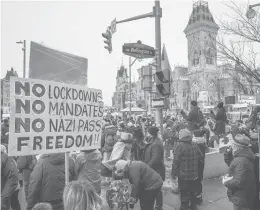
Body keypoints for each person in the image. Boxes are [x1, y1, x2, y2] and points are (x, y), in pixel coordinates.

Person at [223, 134, 256, 210]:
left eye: (233, 145)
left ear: (238, 147)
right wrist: (227, 154)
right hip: (243, 194)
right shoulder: (243, 155)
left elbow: (238, 181)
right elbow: (233, 165)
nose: (231, 146)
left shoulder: (241, 160)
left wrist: (225, 182)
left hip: (240, 196)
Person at [171, 129, 201, 210]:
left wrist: (173, 173)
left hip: (183, 175)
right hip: (194, 175)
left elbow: (176, 161)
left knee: (184, 192)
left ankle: (184, 207)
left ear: (182, 136)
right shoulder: (195, 144)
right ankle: (193, 206)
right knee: (193, 191)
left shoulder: (180, 146)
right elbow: (200, 157)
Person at [143, 126, 165, 210]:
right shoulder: (152, 140)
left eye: (148, 132)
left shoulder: (156, 144)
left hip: (156, 170)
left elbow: (155, 159)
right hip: (153, 170)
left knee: (157, 190)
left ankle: (158, 207)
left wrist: (146, 167)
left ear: (151, 133)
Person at [1, 145, 20, 210]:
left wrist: (3, 196)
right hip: (10, 187)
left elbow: (13, 176)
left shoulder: (9, 160)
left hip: (12, 187)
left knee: (12, 203)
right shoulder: (10, 159)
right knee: (13, 203)